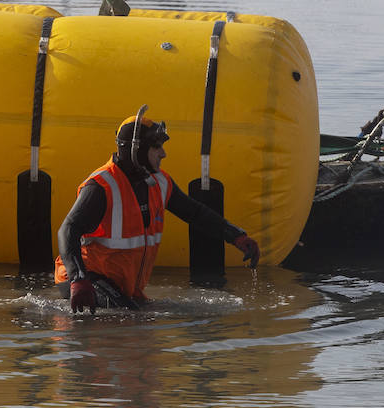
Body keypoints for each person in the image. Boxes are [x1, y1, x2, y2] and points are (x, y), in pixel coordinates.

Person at [54, 108, 261, 312]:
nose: (164, 153)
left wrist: (236, 236)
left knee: (150, 315)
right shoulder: (101, 185)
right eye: (156, 147)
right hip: (84, 277)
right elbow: (67, 230)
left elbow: (195, 213)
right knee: (132, 319)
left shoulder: (160, 182)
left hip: (119, 285)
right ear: (136, 150)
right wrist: (78, 279)